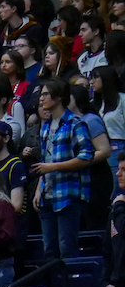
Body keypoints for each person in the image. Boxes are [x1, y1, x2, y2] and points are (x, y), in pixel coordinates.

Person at [34, 78, 99, 260]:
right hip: (48, 194)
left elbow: (87, 156)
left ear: (59, 97)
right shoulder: (45, 126)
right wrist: (39, 189)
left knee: (67, 248)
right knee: (49, 250)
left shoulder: (75, 123)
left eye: (46, 94)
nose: (41, 98)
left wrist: (53, 167)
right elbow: (44, 160)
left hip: (68, 194)